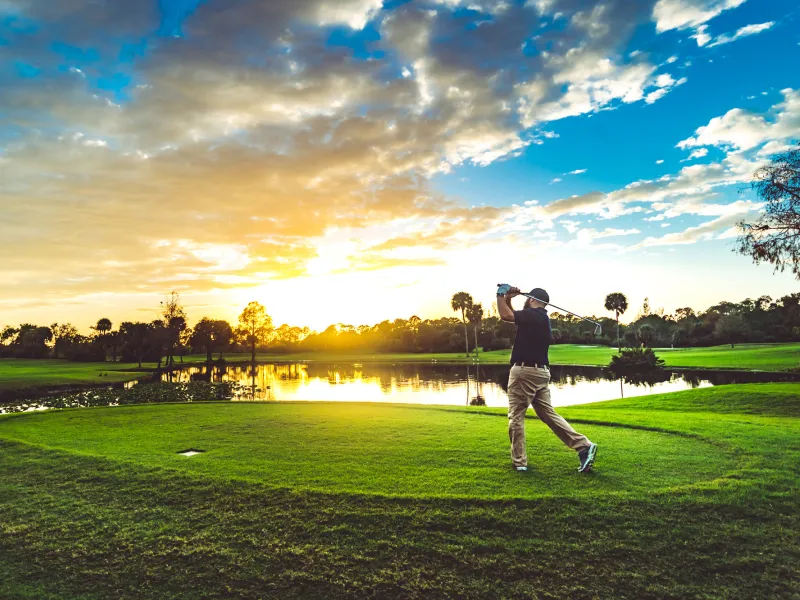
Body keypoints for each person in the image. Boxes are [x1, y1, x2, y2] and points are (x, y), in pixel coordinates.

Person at [496, 286, 597, 473]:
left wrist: (501, 294)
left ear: (532, 299)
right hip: (540, 373)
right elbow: (513, 315)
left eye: (527, 299)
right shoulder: (540, 318)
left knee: (516, 416)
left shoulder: (533, 315)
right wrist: (509, 299)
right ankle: (583, 446)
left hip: (524, 372)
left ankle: (519, 462)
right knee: (547, 414)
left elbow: (506, 316)